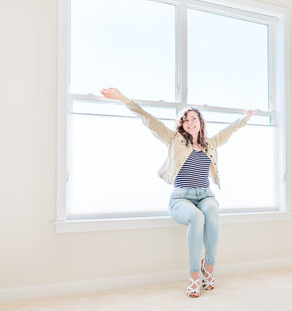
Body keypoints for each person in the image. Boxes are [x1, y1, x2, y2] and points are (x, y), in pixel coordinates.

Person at [100, 87, 252, 298]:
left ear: (200, 121)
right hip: (181, 198)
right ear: (182, 125)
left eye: (193, 118)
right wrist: (123, 99)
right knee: (197, 217)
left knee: (212, 212)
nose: (189, 122)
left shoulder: (211, 144)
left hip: (205, 195)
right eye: (185, 120)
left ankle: (208, 267)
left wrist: (244, 119)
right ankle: (193, 276)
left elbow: (229, 131)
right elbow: (148, 119)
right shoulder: (174, 140)